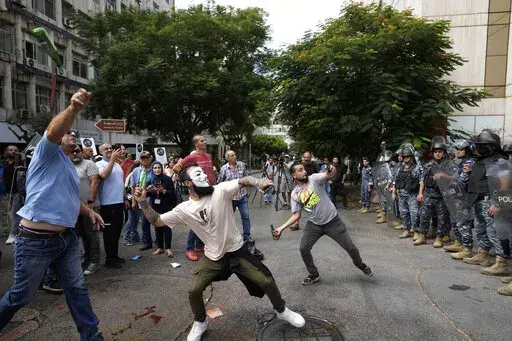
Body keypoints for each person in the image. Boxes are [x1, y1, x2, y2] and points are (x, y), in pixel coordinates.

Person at [133, 164, 305, 341]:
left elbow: (242, 180)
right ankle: (200, 321)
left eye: (204, 173)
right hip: (212, 257)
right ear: (188, 183)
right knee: (194, 289)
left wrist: (258, 182)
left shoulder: (220, 190)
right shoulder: (184, 209)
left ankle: (282, 310)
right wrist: (143, 202)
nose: (205, 176)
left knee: (266, 281)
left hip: (237, 252)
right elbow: (158, 221)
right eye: (198, 174)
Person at [0, 89, 105, 341]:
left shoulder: (68, 165)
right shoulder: (46, 152)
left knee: (77, 288)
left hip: (66, 239)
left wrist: (88, 210)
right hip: (35, 240)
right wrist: (73, 109)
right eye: (69, 132)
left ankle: (91, 336)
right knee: (21, 296)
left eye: (74, 133)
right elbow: (53, 132)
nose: (72, 134)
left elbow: (71, 198)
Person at [272, 163, 373, 286]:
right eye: (300, 170)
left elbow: (327, 174)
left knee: (351, 248)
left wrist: (331, 170)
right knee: (304, 248)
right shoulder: (294, 194)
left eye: (303, 169)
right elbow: (296, 215)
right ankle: (314, 275)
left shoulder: (314, 179)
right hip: (314, 224)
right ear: (294, 175)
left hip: (333, 222)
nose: (304, 171)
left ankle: (361, 265)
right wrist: (281, 228)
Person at [464, 131, 509, 276]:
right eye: (479, 145)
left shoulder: (499, 161)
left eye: (483, 145)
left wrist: (497, 203)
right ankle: (483, 255)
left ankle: (501, 263)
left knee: (494, 231)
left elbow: (505, 183)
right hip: (479, 199)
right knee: (480, 228)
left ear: (492, 146)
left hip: (491, 200)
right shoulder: (482, 160)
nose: (479, 148)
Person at [173, 135, 214, 261]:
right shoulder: (191, 157)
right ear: (196, 144)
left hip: (211, 190)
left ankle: (199, 246)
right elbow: (176, 168)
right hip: (198, 193)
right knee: (197, 220)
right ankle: (189, 249)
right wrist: (189, 184)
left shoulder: (208, 156)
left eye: (204, 140)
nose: (204, 142)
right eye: (202, 141)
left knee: (207, 219)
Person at [414, 138, 452, 247]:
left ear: (444, 153)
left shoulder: (448, 165)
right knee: (424, 216)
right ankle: (422, 236)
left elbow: (455, 178)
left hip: (442, 196)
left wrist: (443, 176)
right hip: (429, 194)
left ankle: (439, 238)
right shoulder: (428, 165)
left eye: (440, 152)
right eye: (435, 152)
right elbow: (422, 180)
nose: (437, 154)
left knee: (442, 218)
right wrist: (420, 193)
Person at [72, 145, 102, 276]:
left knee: (92, 234)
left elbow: (94, 183)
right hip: (74, 207)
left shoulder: (89, 164)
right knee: (82, 234)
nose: (74, 153)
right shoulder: (66, 165)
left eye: (77, 150)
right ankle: (86, 259)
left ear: (82, 152)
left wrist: (90, 204)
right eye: (72, 151)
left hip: (90, 206)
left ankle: (95, 262)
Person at [96, 143, 125, 269]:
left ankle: (114, 255)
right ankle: (110, 259)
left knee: (117, 231)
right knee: (109, 233)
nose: (109, 150)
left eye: (110, 148)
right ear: (100, 152)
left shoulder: (117, 165)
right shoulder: (99, 164)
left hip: (119, 202)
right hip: (108, 204)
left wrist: (124, 198)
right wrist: (112, 160)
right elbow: (103, 175)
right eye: (106, 149)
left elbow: (120, 183)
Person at [217, 150, 252, 242]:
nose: (235, 156)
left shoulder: (241, 165)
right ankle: (228, 235)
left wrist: (248, 190)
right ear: (227, 158)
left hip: (242, 196)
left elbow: (247, 178)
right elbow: (220, 182)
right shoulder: (224, 169)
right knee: (228, 218)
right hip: (230, 198)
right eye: (232, 155)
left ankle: (247, 236)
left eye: (235, 154)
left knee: (246, 216)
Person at [146, 161, 177, 257]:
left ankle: (168, 248)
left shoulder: (167, 179)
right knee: (157, 226)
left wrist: (163, 190)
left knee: (167, 226)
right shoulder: (150, 179)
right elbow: (147, 194)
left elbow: (173, 194)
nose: (157, 169)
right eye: (155, 168)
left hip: (166, 205)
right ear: (152, 169)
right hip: (155, 206)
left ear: (162, 168)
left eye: (159, 167)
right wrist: (148, 191)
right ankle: (160, 247)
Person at [392, 147, 421, 239]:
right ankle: (406, 230)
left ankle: (416, 231)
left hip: (412, 194)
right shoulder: (400, 168)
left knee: (414, 213)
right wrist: (394, 192)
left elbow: (421, 181)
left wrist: (420, 194)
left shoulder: (416, 168)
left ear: (411, 157)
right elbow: (396, 181)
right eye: (404, 157)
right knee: (404, 213)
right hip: (401, 195)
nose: (405, 159)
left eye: (408, 157)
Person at [130, 151, 154, 251]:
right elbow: (133, 186)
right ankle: (147, 242)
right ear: (140, 159)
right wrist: (134, 201)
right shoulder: (136, 171)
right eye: (143, 158)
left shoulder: (155, 169)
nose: (145, 159)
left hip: (152, 199)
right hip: (141, 200)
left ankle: (160, 243)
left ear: (151, 158)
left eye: (147, 157)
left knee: (157, 221)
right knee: (144, 223)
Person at [2, 145, 23, 245]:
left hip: (17, 192)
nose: (13, 151)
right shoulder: (4, 164)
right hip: (7, 192)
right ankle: (16, 231)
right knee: (9, 214)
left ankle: (13, 234)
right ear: (6, 152)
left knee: (15, 213)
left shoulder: (19, 164)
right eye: (11, 150)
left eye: (15, 150)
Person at [123, 161, 141, 246]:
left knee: (135, 218)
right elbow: (131, 188)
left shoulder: (132, 174)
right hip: (131, 199)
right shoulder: (134, 174)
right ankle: (126, 238)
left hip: (134, 199)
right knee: (131, 219)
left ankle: (135, 237)